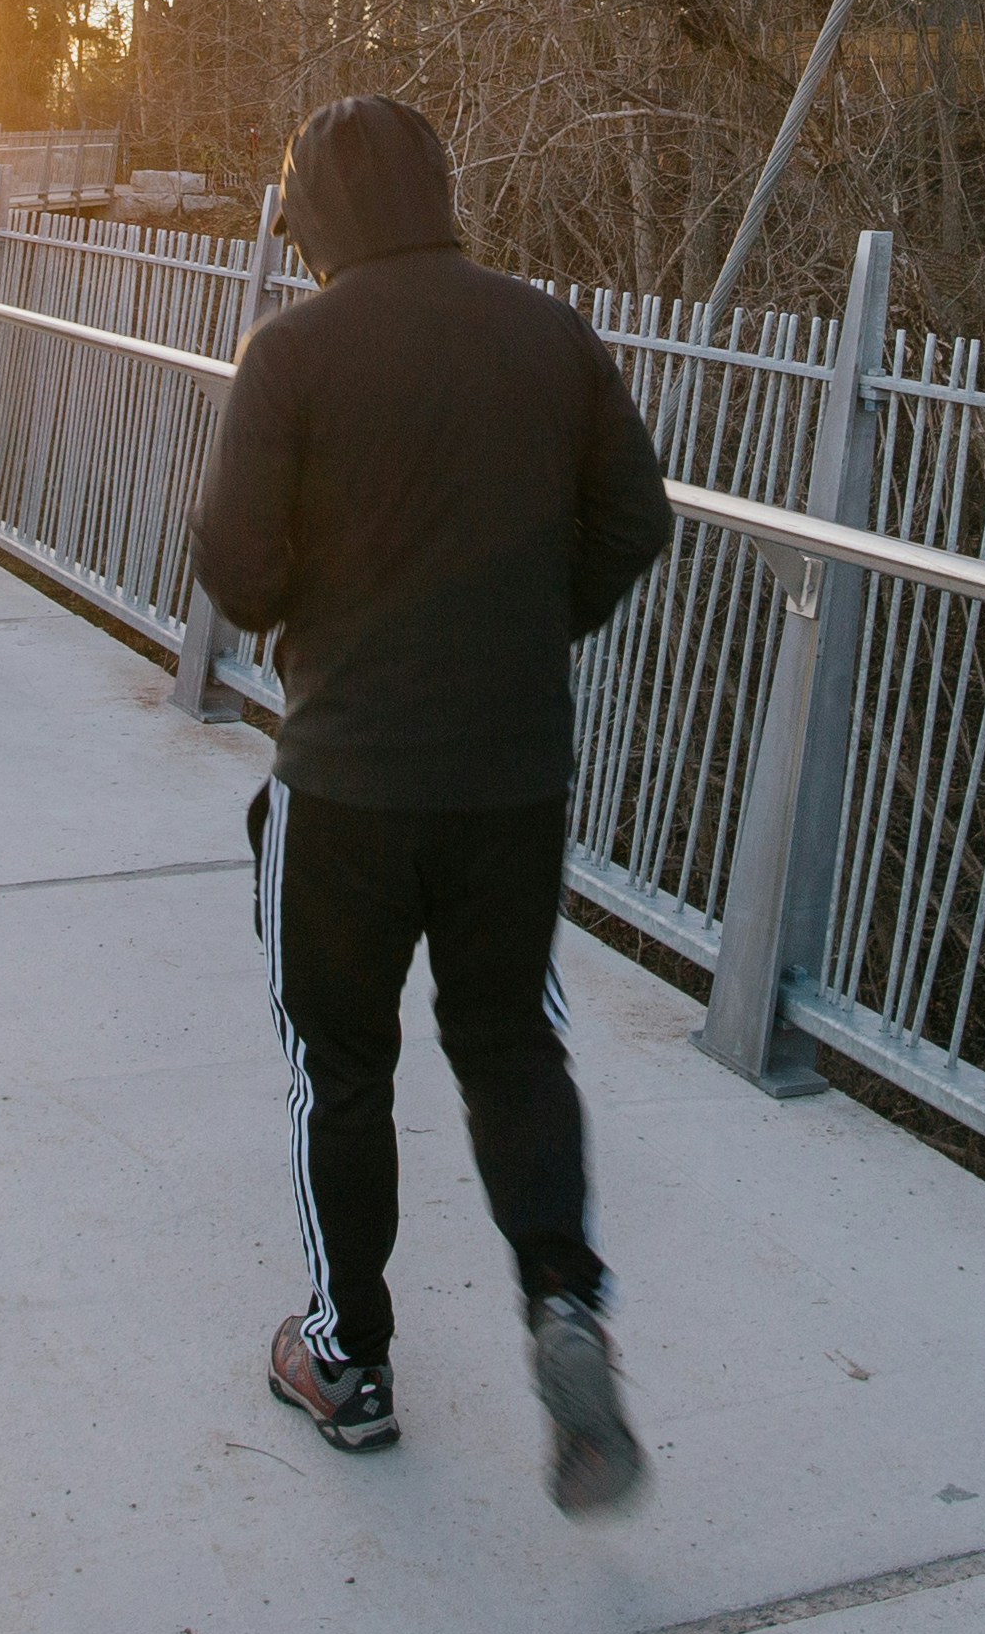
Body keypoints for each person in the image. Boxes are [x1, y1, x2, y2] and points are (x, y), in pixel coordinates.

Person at [189, 94, 672, 1514]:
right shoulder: (549, 333)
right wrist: (528, 631)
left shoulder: (292, 353)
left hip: (344, 782)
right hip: (509, 781)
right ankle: (564, 1305)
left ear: (315, 221)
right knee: (510, 1044)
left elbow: (237, 570)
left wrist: (316, 612)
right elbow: (636, 521)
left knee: (340, 1071)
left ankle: (349, 1361)